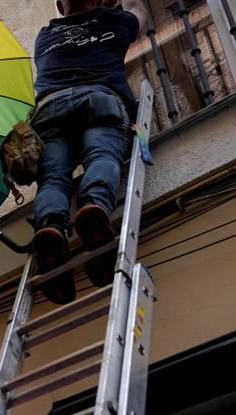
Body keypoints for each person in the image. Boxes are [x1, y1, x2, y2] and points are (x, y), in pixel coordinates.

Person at [30, 0, 147, 304]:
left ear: (59, 5)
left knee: (53, 180)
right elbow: (140, 16)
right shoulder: (114, 22)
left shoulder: (44, 37)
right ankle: (94, 206)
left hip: (49, 109)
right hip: (100, 99)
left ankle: (51, 228)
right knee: (102, 156)